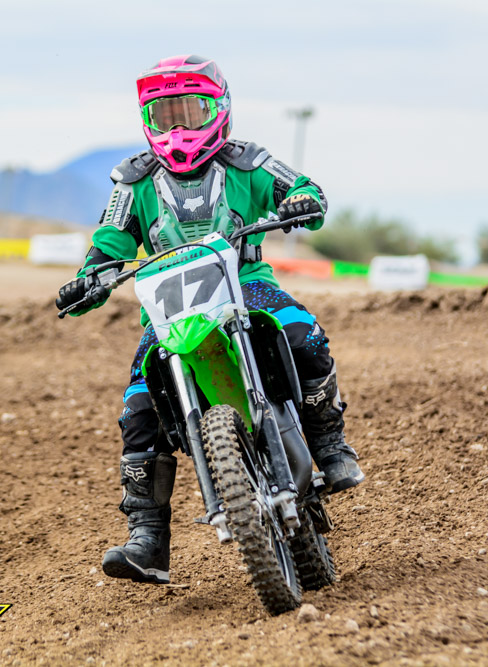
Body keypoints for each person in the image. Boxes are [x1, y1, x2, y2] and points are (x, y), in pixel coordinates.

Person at [55, 56, 363, 584]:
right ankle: (148, 537)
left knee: (302, 334)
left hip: (247, 285)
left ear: (218, 109)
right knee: (139, 404)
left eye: (190, 112)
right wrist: (88, 279)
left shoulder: (248, 163)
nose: (178, 128)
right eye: (164, 115)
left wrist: (302, 200)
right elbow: (108, 244)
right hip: (169, 305)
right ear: (147, 120)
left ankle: (330, 446)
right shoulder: (133, 182)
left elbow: (303, 187)